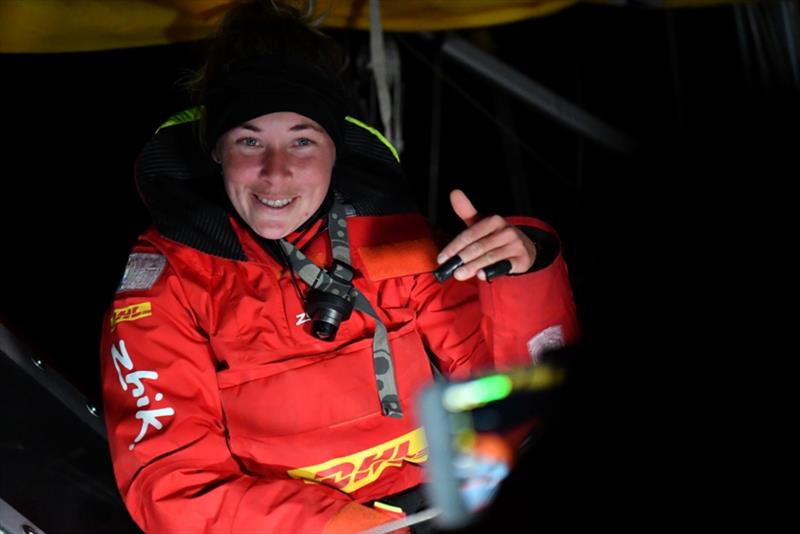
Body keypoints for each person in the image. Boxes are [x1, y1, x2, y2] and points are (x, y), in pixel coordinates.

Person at [100, 1, 579, 532]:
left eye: (302, 140)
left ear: (336, 149)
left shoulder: (394, 237)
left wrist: (526, 275)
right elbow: (170, 487)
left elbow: (522, 401)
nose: (275, 173)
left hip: (446, 500)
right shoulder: (167, 284)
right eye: (249, 140)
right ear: (217, 151)